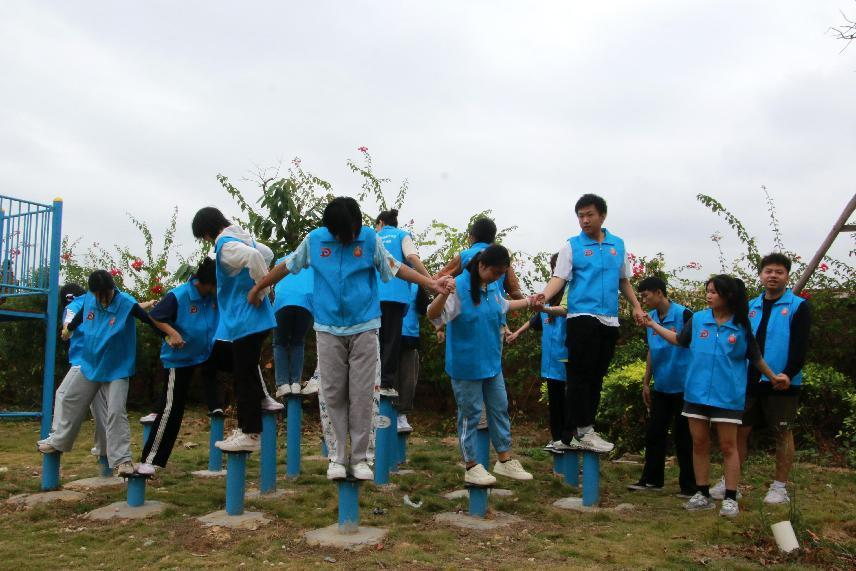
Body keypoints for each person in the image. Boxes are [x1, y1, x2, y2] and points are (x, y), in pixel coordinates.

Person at [249, 197, 453, 481]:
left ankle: (359, 458)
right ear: (332, 231)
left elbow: (394, 267)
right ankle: (336, 457)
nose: (352, 237)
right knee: (332, 393)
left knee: (363, 393)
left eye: (356, 230)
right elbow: (288, 265)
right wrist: (261, 284)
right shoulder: (315, 241)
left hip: (365, 326)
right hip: (328, 328)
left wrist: (430, 282)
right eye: (346, 233)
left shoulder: (370, 239)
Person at [643, 274, 788, 517]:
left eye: (714, 292)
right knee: (699, 444)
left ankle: (730, 496)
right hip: (696, 394)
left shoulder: (741, 325)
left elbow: (755, 357)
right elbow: (679, 340)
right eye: (707, 290)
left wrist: (773, 377)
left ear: (727, 295)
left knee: (728, 446)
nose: (708, 295)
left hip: (727, 396)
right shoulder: (698, 319)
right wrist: (653, 325)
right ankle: (702, 493)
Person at [536, 194, 646, 453]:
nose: (584, 220)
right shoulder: (571, 246)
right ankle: (580, 430)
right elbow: (558, 277)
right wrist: (544, 295)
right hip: (581, 316)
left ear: (602, 216)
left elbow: (624, 281)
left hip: (609, 319)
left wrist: (637, 306)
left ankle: (581, 431)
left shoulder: (617, 245)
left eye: (589, 215)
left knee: (596, 375)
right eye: (580, 216)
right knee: (579, 375)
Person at [37, 270, 177, 475]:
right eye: (98, 295)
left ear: (113, 289)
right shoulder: (89, 301)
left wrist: (168, 336)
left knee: (115, 412)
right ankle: (58, 441)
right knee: (69, 399)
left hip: (117, 369)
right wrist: (69, 331)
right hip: (90, 364)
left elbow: (149, 321)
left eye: (106, 295)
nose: (102, 300)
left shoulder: (126, 303)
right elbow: (78, 319)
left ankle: (123, 460)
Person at [428, 244, 536, 485]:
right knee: (470, 415)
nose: (499, 278)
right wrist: (444, 293)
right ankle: (471, 464)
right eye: (495, 273)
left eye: (501, 274)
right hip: (466, 366)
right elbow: (432, 314)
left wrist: (530, 301)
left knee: (499, 408)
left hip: (491, 363)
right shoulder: (459, 287)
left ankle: (504, 459)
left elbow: (504, 305)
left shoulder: (490, 286)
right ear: (482, 265)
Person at [191, 207, 283, 453]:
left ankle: (250, 432)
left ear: (207, 231)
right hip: (254, 319)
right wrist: (260, 286)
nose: (206, 241)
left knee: (243, 377)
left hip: (245, 320)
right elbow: (266, 253)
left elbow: (254, 258)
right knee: (248, 372)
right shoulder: (242, 237)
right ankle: (249, 426)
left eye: (203, 236)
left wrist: (261, 289)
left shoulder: (226, 247)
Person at [723, 253, 810, 505]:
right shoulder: (749, 306)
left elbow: (800, 346)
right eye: (768, 271)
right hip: (749, 380)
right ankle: (731, 483)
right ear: (761, 275)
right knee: (740, 431)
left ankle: (780, 487)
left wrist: (788, 373)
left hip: (783, 382)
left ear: (787, 276)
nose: (773, 275)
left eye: (779, 272)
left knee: (783, 433)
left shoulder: (798, 306)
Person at [136, 258, 233, 475]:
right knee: (172, 409)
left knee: (243, 361)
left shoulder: (213, 295)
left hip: (206, 351)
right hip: (180, 357)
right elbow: (155, 316)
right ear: (206, 283)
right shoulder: (178, 295)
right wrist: (172, 333)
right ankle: (149, 461)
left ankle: (259, 404)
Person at [627, 276, 695, 497]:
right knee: (654, 433)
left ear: (659, 292)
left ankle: (689, 486)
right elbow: (652, 350)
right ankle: (652, 480)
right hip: (662, 386)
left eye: (645, 296)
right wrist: (646, 382)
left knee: (684, 437)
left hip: (685, 386)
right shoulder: (651, 318)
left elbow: (683, 341)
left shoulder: (684, 314)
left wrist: (652, 324)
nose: (643, 300)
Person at [506, 253, 567, 450]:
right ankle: (557, 439)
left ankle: (569, 441)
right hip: (551, 362)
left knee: (568, 405)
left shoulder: (572, 293)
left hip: (568, 360)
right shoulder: (547, 297)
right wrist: (516, 333)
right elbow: (534, 320)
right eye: (554, 266)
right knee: (555, 404)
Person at [374, 209, 432, 398]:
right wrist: (430, 280)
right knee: (391, 340)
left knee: (374, 340)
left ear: (381, 222)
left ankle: (372, 381)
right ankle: (385, 383)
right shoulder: (402, 235)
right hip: (396, 295)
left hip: (373, 296)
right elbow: (412, 258)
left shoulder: (373, 236)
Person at [271, 250, 315, 397]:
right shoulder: (312, 262)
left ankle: (283, 384)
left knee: (280, 343)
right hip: (306, 304)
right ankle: (296, 383)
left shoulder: (281, 260)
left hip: (283, 302)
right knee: (298, 342)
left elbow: (273, 281)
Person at [397, 282, 430, 432]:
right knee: (385, 378)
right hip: (383, 336)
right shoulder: (383, 278)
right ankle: (383, 412)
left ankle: (402, 415)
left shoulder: (417, 286)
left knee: (408, 378)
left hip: (409, 337)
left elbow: (425, 310)